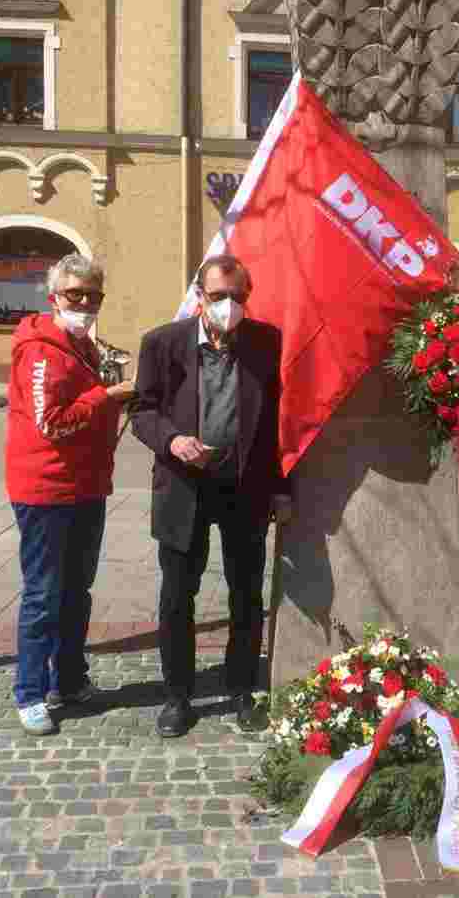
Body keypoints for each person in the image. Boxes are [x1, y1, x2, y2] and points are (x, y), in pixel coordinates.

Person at [131, 254, 292, 738]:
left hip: (244, 486)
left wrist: (283, 488)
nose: (229, 306)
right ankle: (178, 697)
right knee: (178, 596)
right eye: (219, 296)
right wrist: (173, 441)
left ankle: (242, 689)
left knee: (247, 595)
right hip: (185, 486)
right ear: (199, 295)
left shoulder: (267, 343)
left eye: (238, 297)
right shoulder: (163, 343)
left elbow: (282, 423)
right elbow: (142, 409)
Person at [5, 253, 134, 736]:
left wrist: (112, 395)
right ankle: (31, 692)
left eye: (92, 295)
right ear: (54, 296)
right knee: (43, 594)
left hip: (85, 485)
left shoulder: (82, 346)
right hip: (45, 489)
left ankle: (71, 680)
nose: (83, 302)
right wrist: (108, 396)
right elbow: (51, 422)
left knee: (77, 592)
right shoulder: (41, 349)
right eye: (74, 294)